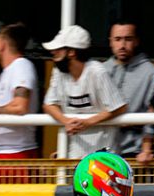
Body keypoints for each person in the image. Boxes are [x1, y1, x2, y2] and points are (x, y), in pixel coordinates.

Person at [42, 25, 128, 158]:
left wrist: (88, 122)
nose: (53, 52)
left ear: (71, 52)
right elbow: (48, 104)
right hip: (74, 155)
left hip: (104, 156)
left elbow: (119, 107)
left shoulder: (97, 72)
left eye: (58, 49)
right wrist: (65, 120)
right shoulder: (58, 72)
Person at [102, 19, 154, 163]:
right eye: (118, 39)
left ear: (136, 41)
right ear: (110, 42)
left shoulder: (151, 72)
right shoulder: (100, 70)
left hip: (134, 152)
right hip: (100, 148)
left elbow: (151, 114)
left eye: (128, 39)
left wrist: (146, 150)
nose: (122, 45)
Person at [0, 23, 40, 159]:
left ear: (1, 44)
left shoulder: (21, 66)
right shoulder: (10, 71)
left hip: (15, 153)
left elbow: (19, 106)